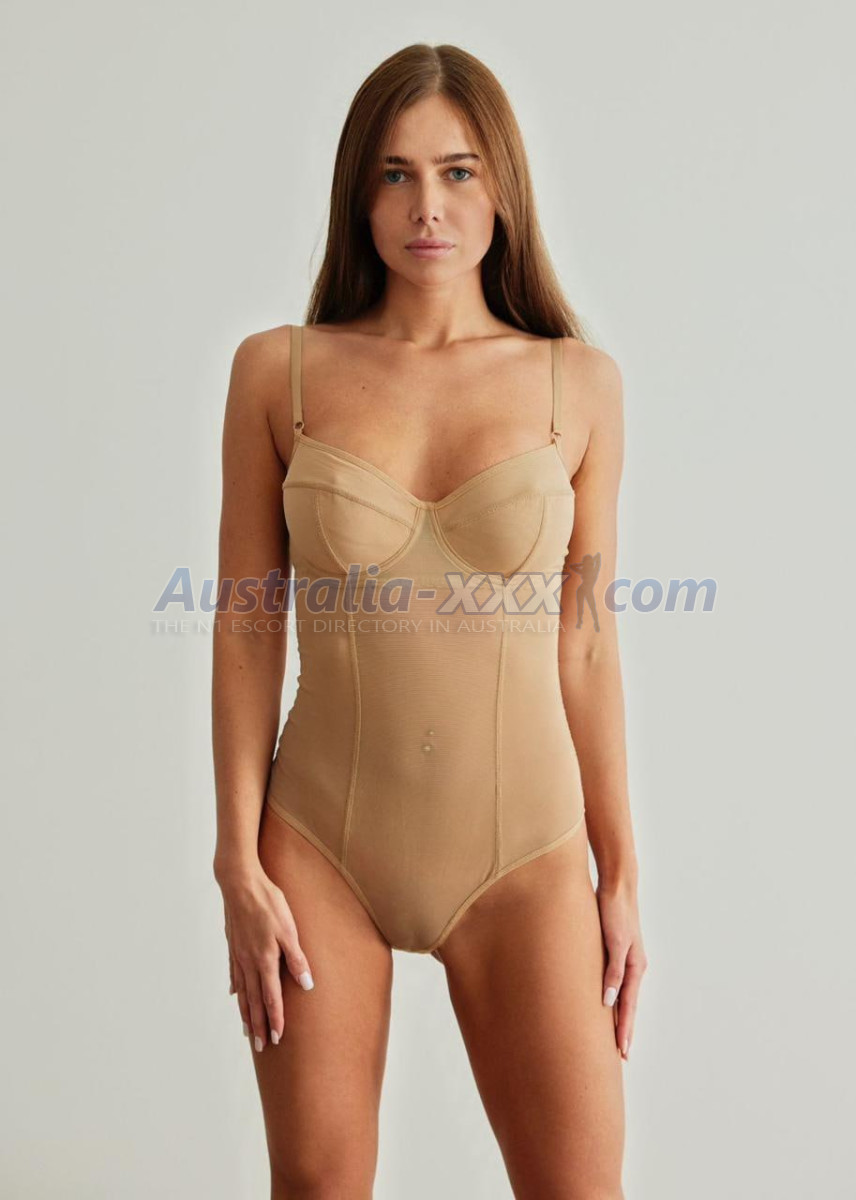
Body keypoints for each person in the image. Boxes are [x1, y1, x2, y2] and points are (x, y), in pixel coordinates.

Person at [212, 42, 646, 1199]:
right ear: (360, 194)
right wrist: (235, 860)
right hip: (318, 848)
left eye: (457, 172)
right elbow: (248, 627)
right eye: (395, 175)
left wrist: (619, 871)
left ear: (502, 191)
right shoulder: (276, 375)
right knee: (316, 1189)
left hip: (526, 854)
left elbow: (586, 641)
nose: (427, 208)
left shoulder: (578, 384)